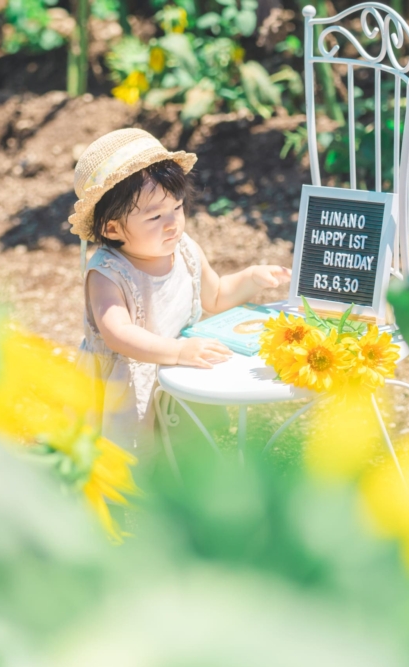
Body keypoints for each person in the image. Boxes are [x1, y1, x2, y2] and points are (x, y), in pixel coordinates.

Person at [71, 128, 292, 462]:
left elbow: (215, 295)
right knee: (134, 457)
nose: (172, 223)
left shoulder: (186, 251)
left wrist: (251, 279)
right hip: (128, 381)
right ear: (112, 228)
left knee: (186, 446)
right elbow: (118, 334)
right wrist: (177, 352)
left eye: (177, 207)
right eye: (156, 216)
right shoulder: (107, 273)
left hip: (176, 365)